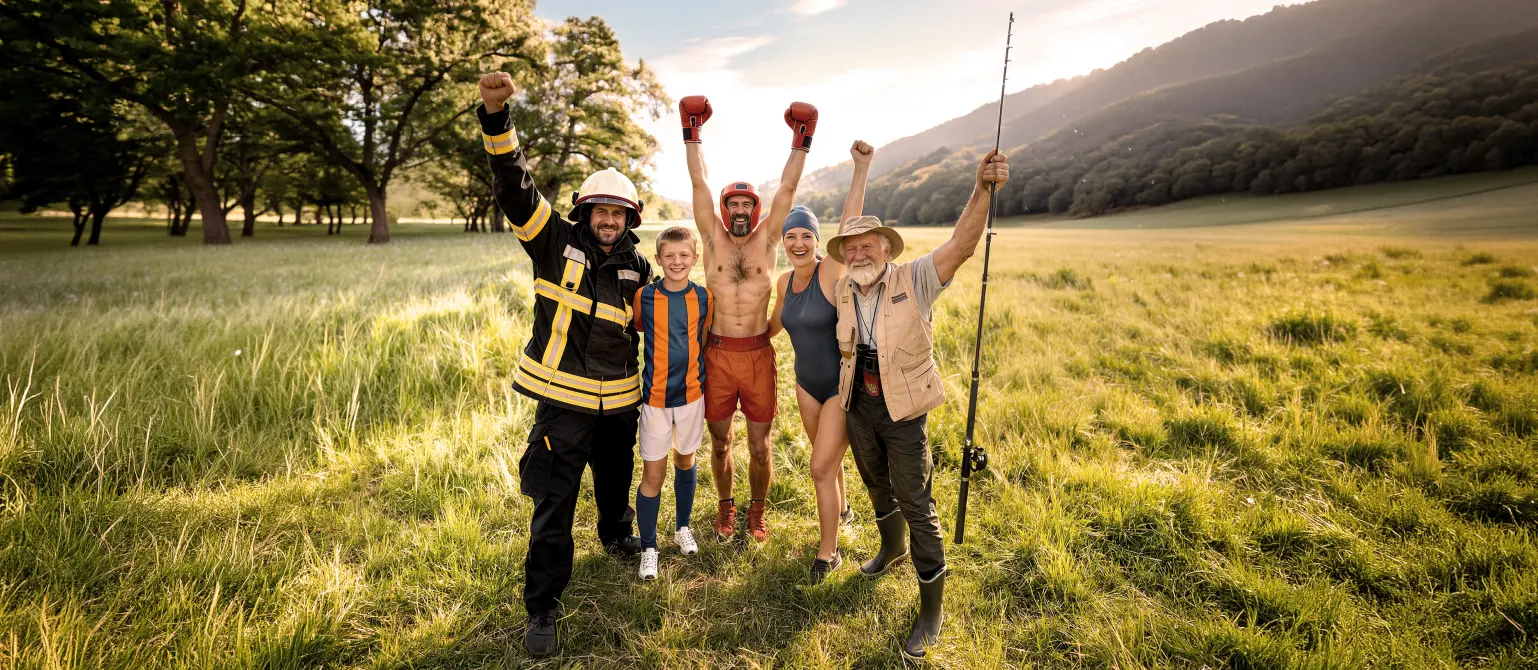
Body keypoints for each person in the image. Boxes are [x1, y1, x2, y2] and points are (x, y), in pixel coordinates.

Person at [476, 71, 651, 658]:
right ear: (584, 210)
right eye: (600, 212)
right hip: (564, 404)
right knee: (556, 504)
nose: (609, 221)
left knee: (614, 479)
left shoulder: (638, 267)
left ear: (630, 219)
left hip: (621, 401)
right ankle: (543, 607)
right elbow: (513, 186)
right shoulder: (552, 239)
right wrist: (497, 117)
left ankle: (615, 533)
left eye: (619, 214)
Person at [825, 149, 1009, 659]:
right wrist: (858, 173)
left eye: (868, 246)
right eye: (852, 248)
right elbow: (847, 229)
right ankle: (891, 548)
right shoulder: (844, 287)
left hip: (904, 411)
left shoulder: (916, 279)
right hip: (857, 403)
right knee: (874, 481)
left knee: (916, 500)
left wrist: (982, 189)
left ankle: (931, 611)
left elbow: (963, 245)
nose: (859, 254)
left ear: (885, 249)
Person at [679, 94, 816, 541]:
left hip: (757, 356)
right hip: (717, 356)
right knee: (720, 443)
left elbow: (788, 191)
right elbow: (699, 183)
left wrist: (802, 141)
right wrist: (692, 132)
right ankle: (725, 510)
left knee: (760, 445)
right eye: (732, 205)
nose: (739, 211)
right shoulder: (713, 239)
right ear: (724, 209)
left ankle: (756, 512)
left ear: (755, 210)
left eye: (746, 205)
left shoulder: (769, 240)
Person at [768, 140, 875, 583]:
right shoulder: (782, 281)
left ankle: (828, 553)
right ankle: (844, 509)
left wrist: (861, 170)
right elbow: (770, 328)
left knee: (818, 467)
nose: (797, 243)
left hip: (839, 385)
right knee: (827, 462)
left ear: (817, 243)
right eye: (790, 236)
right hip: (805, 385)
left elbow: (849, 224)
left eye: (805, 237)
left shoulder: (831, 271)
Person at [631, 226, 713, 580]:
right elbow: (637, 329)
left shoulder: (704, 298)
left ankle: (682, 527)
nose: (677, 262)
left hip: (692, 396)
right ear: (658, 259)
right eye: (670, 256)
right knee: (653, 473)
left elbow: (703, 338)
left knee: (686, 460)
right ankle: (648, 547)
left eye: (684, 256)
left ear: (696, 258)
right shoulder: (644, 297)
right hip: (655, 399)